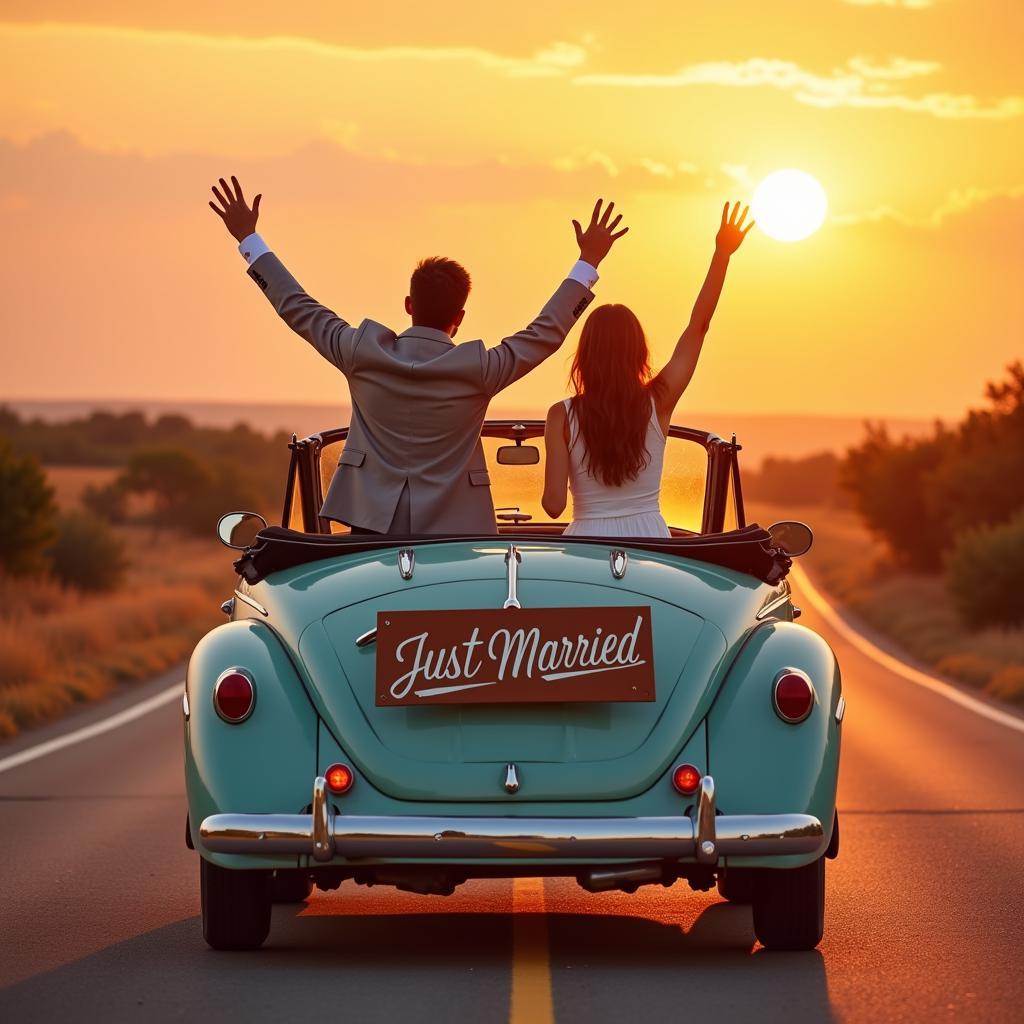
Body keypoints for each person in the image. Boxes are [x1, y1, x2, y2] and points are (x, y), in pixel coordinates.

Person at [208, 177, 628, 534]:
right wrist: (588, 260)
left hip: (370, 525)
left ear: (409, 304)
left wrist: (249, 238)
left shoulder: (359, 351)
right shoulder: (479, 369)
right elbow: (545, 333)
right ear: (460, 317)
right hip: (456, 530)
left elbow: (297, 306)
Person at [542, 201, 753, 537]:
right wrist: (722, 254)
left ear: (585, 355)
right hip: (651, 540)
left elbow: (553, 507)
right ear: (638, 352)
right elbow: (699, 326)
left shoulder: (560, 415)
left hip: (585, 544)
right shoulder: (659, 400)